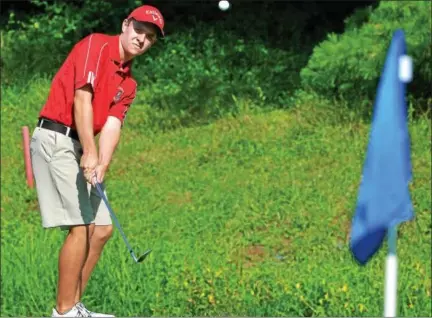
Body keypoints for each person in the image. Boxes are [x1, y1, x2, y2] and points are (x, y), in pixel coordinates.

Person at [29, 4, 165, 317]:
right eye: (139, 30)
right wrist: (89, 151)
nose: (142, 39)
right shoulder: (97, 45)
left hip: (82, 145)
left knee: (101, 229)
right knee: (81, 226)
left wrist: (101, 162)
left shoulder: (128, 84)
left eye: (150, 37)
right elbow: (82, 99)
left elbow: (114, 124)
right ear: (126, 24)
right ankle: (63, 311)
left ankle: (75, 306)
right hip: (57, 138)